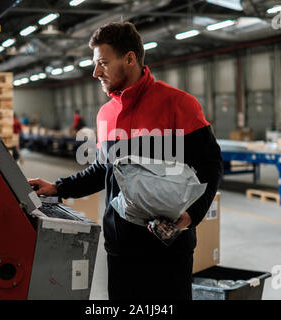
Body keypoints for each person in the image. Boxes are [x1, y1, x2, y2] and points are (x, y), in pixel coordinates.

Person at [28, 21, 223, 300]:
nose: (96, 72)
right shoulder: (106, 114)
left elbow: (210, 164)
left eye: (103, 63)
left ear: (129, 59)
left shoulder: (179, 104)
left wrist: (192, 215)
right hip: (120, 246)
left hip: (168, 246)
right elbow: (103, 170)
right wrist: (58, 188)